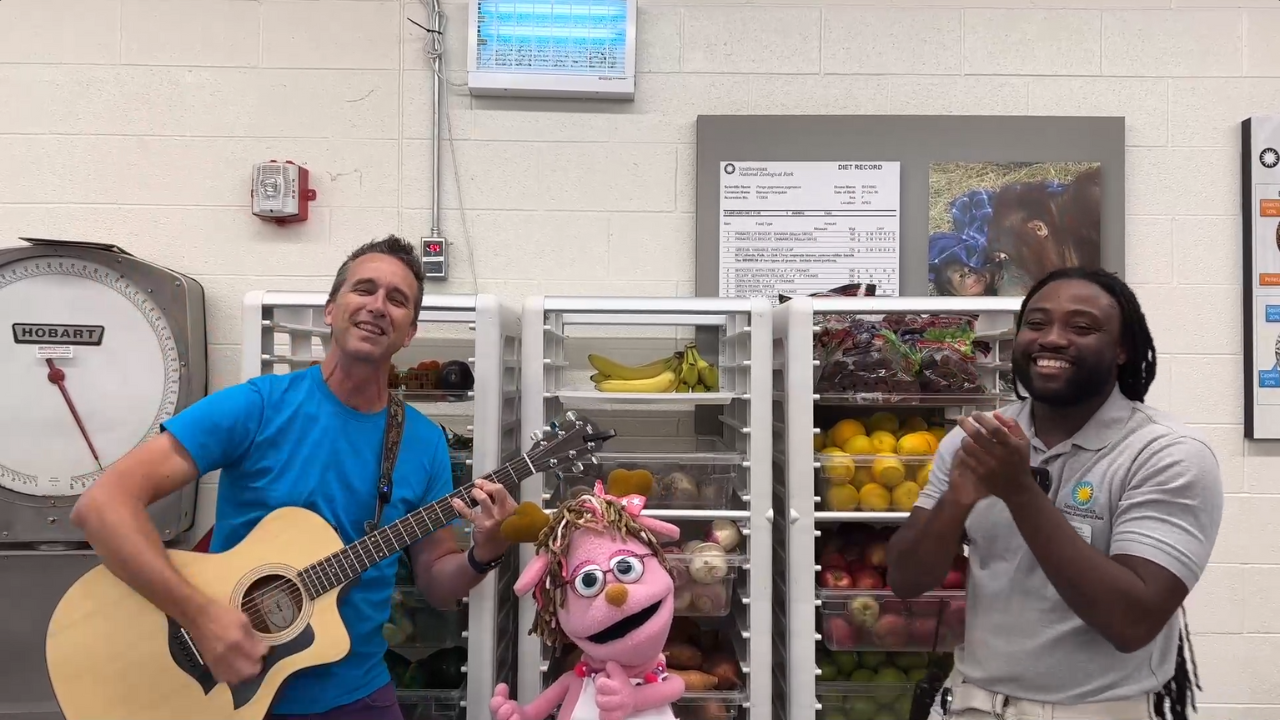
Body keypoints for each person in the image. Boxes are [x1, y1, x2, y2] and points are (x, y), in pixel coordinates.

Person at [70, 235, 518, 720]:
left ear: (409, 331)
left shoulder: (422, 442)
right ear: (330, 309)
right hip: (227, 697)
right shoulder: (258, 407)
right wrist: (200, 616)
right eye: (363, 289)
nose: (377, 306)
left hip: (358, 696)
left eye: (397, 299)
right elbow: (102, 507)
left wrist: (485, 551)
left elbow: (436, 584)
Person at [887, 267, 1223, 720]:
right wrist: (958, 499)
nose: (1052, 339)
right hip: (973, 704)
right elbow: (907, 580)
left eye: (1081, 327)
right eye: (1037, 323)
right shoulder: (980, 440)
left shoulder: (1167, 454)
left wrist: (1019, 492)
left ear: (1123, 349)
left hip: (1102, 711)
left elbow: (1131, 622)